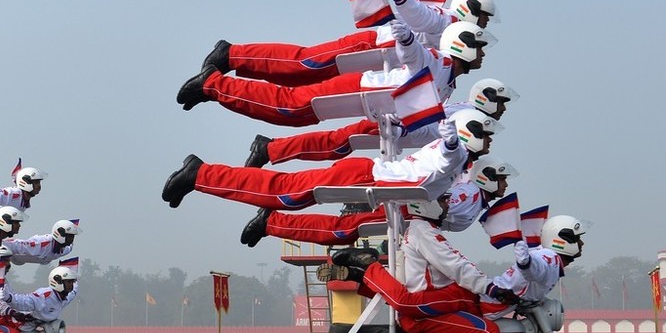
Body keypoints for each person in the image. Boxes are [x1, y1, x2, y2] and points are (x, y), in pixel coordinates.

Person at [321, 195, 519, 333]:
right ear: (427, 203)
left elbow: (454, 266)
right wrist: (490, 287)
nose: (447, 204)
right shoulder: (423, 231)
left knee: (474, 308)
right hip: (423, 312)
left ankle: (362, 274)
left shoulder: (421, 231)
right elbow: (455, 264)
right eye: (443, 200)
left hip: (432, 307)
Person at [162, 110, 499, 211]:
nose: (489, 142)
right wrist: (452, 145)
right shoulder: (453, 154)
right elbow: (443, 160)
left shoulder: (459, 160)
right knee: (283, 194)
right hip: (362, 179)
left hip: (365, 178)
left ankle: (202, 175)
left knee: (285, 194)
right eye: (485, 134)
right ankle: (200, 175)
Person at [176, 21, 495, 125]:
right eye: (479, 46)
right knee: (299, 80)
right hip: (369, 63)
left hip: (368, 95)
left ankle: (223, 73)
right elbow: (416, 44)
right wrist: (407, 35)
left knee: (296, 102)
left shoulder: (448, 82)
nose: (482, 53)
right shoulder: (439, 60)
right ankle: (219, 75)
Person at [191, 0, 495, 86]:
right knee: (305, 63)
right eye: (483, 16)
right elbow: (418, 13)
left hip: (379, 61)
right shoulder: (448, 21)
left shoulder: (451, 27)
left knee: (303, 76)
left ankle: (236, 66)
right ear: (470, 9)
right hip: (374, 46)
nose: (483, 25)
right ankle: (231, 54)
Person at [240, 154, 515, 247]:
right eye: (502, 179)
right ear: (488, 177)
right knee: (340, 228)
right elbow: (431, 203)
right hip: (401, 207)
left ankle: (271, 221)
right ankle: (271, 221)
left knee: (339, 225)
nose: (504, 185)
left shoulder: (473, 193)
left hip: (399, 207)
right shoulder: (469, 194)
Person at [242, 77, 517, 168]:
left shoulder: (470, 114)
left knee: (337, 142)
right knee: (336, 143)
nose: (503, 109)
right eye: (502, 103)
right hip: (394, 128)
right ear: (488, 98)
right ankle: (270, 149)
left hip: (396, 131)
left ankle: (271, 149)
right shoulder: (473, 118)